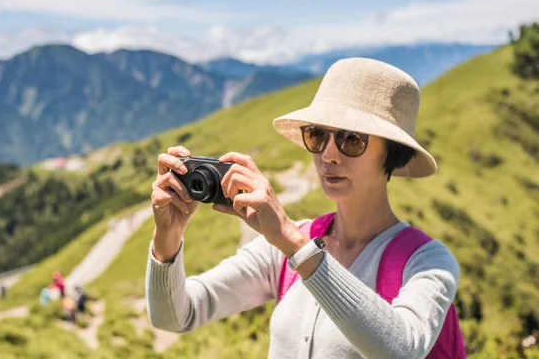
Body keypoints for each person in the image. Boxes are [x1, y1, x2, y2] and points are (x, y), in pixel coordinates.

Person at [145, 57, 461, 358]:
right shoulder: (281, 249)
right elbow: (176, 316)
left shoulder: (427, 261)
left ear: (393, 154)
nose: (328, 155)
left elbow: (402, 349)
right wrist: (167, 237)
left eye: (351, 140)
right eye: (318, 135)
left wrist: (290, 239)